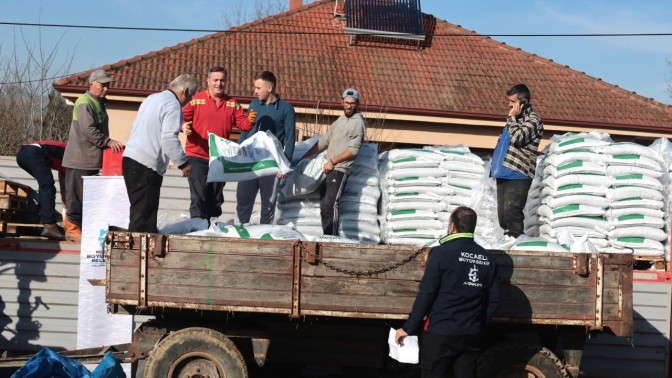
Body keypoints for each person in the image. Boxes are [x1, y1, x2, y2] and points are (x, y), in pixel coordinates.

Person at [395, 207, 501, 378]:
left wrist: (408, 327)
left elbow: (426, 294)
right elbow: (495, 300)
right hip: (471, 334)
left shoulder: (440, 253)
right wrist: (477, 325)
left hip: (440, 333)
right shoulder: (487, 258)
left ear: (452, 227)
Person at [122, 75, 198, 232]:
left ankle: (140, 248)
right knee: (143, 217)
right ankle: (138, 253)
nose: (189, 101)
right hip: (146, 164)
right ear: (185, 91)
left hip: (130, 158)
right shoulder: (173, 105)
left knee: (140, 213)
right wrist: (183, 163)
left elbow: (134, 126)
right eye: (191, 96)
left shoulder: (152, 98)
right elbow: (169, 138)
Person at [181, 66, 256, 221]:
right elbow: (178, 117)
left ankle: (212, 229)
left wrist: (249, 121)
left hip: (219, 157)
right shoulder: (195, 99)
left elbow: (243, 124)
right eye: (215, 80)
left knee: (215, 197)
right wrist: (183, 126)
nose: (218, 83)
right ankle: (198, 228)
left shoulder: (232, 103)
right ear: (208, 81)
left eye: (222, 80)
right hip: (197, 155)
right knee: (199, 195)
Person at [62, 69, 124, 241]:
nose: (105, 88)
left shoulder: (99, 103)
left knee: (87, 199)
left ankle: (82, 228)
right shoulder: (84, 102)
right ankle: (72, 230)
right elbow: (88, 130)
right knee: (75, 198)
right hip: (79, 160)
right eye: (102, 85)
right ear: (91, 84)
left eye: (107, 85)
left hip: (91, 161)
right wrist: (108, 142)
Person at [302, 88, 365, 235]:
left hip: (340, 169)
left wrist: (333, 161)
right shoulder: (339, 121)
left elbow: (353, 151)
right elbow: (324, 141)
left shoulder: (358, 123)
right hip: (327, 169)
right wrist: (305, 156)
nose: (349, 106)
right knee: (323, 206)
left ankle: (332, 239)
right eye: (346, 103)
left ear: (357, 104)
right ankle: (327, 235)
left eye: (352, 103)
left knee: (331, 204)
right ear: (342, 102)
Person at [236, 71, 296, 224]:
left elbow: (290, 139)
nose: (255, 91)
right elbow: (246, 130)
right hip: (250, 161)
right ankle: (241, 233)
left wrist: (285, 164)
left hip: (271, 163)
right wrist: (237, 151)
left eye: (258, 88)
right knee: (243, 199)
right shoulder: (255, 104)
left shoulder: (286, 109)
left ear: (269, 88)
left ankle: (264, 237)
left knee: (268, 204)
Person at [490, 83, 543, 238]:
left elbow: (518, 138)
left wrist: (512, 118)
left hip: (519, 172)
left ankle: (516, 241)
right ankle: (508, 239)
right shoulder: (513, 119)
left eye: (513, 102)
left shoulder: (534, 120)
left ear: (524, 102)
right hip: (503, 172)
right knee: (503, 215)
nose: (509, 105)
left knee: (513, 211)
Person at [16, 141, 67, 240]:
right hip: (32, 151)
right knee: (47, 185)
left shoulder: (66, 163)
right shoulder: (72, 154)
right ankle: (49, 225)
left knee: (47, 187)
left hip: (22, 155)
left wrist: (65, 209)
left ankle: (42, 222)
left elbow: (64, 187)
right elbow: (67, 187)